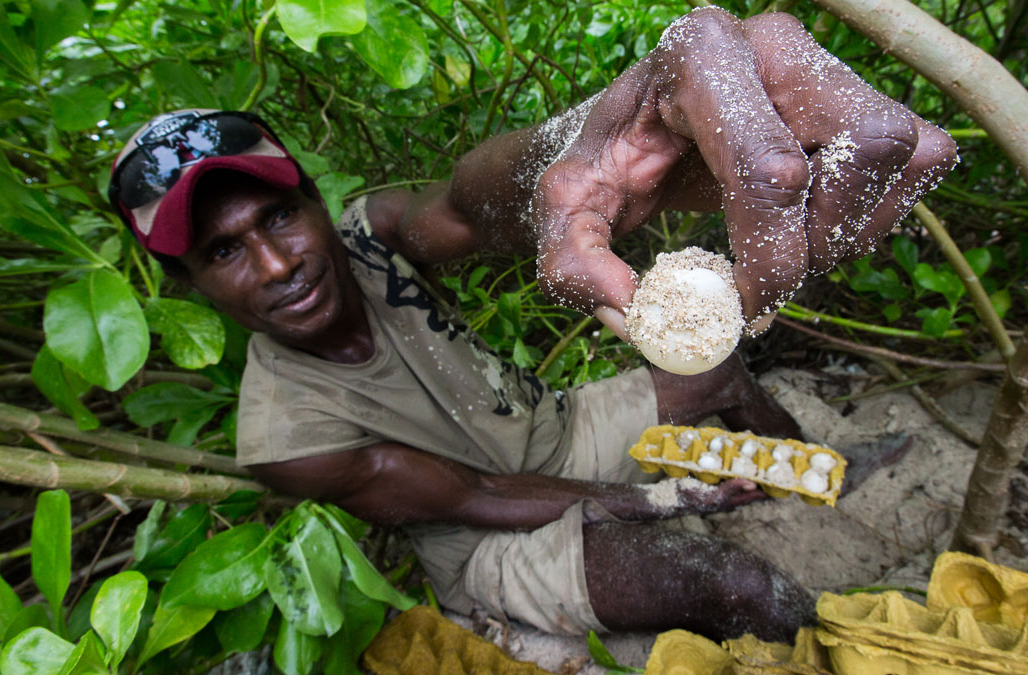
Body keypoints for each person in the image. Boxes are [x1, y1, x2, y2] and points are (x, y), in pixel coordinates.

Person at [109, 8, 955, 642]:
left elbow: (474, 205)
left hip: (554, 429)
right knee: (730, 580)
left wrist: (587, 149)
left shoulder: (372, 233)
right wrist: (663, 499)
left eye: (279, 219)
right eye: (224, 252)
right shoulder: (284, 433)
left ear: (316, 205)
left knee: (720, 367)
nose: (274, 263)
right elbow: (477, 496)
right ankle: (839, 649)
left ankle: (812, 469)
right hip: (483, 537)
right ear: (189, 285)